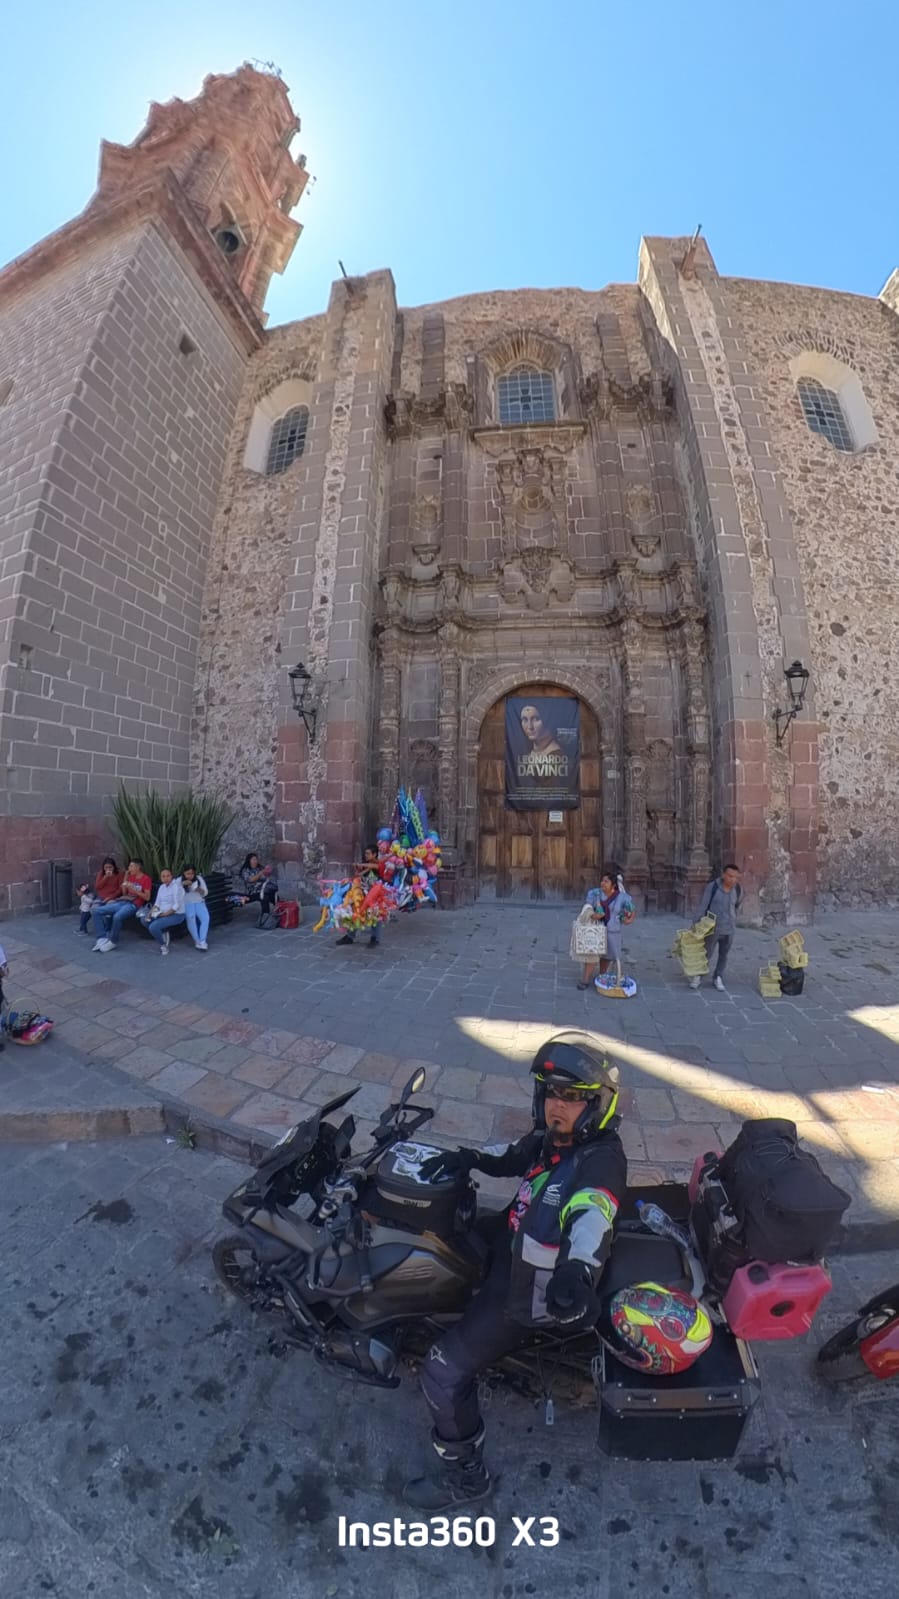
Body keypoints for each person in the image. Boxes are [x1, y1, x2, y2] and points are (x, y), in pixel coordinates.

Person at [403, 1032, 627, 1511]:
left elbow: (593, 1214)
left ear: (598, 1105)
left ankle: (466, 1476)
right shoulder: (554, 1139)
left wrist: (578, 1272)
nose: (556, 1106)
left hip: (525, 1294)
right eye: (550, 1094)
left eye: (572, 1098)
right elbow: (514, 1156)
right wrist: (471, 1159)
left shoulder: (601, 1160)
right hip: (509, 1243)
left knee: (441, 1373)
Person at [575, 867, 634, 990]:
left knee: (607, 956)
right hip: (596, 929)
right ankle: (585, 979)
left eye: (606, 881)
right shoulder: (595, 894)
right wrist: (593, 915)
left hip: (613, 930)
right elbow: (587, 907)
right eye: (602, 880)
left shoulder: (622, 897)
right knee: (593, 954)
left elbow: (631, 910)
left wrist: (629, 918)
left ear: (613, 885)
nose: (602, 883)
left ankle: (601, 977)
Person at [690, 864, 743, 992]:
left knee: (723, 955)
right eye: (730, 876)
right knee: (706, 953)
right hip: (713, 928)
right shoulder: (713, 887)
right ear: (723, 875)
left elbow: (737, 905)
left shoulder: (738, 890)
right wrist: (695, 923)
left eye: (735, 877)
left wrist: (733, 919)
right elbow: (703, 905)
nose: (732, 879)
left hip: (729, 928)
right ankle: (699, 975)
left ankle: (718, 976)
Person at [90, 858, 152, 951]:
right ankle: (102, 938)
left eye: (131, 866)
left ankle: (113, 941)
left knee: (117, 917)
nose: (129, 868)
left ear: (138, 867)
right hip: (123, 901)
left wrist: (135, 890)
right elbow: (124, 893)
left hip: (134, 904)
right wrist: (126, 879)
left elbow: (147, 897)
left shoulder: (146, 879)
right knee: (95, 911)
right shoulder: (131, 877)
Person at [336, 848, 382, 948]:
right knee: (355, 911)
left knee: (375, 915)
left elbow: (375, 866)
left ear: (375, 854)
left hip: (376, 895)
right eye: (365, 853)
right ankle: (350, 936)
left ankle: (375, 938)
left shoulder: (379, 864)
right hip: (363, 893)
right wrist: (358, 869)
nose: (366, 855)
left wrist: (362, 865)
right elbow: (358, 876)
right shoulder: (366, 866)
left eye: (368, 853)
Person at [141, 869, 186, 955]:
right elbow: (157, 903)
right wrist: (150, 913)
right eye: (163, 876)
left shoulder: (177, 887)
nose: (166, 878)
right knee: (144, 919)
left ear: (172, 876)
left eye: (168, 876)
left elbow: (176, 906)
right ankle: (163, 931)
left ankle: (163, 945)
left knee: (153, 927)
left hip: (176, 914)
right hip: (161, 912)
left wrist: (164, 915)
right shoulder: (161, 887)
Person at [231, 853, 279, 921]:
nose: (255, 861)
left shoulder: (259, 868)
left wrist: (267, 871)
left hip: (262, 889)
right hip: (251, 892)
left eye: (256, 859)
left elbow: (266, 877)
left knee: (274, 895)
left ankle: (281, 911)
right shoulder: (246, 870)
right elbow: (250, 880)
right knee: (264, 897)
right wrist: (260, 873)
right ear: (249, 861)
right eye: (253, 859)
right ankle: (265, 918)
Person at [179, 865, 210, 950]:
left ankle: (203, 940)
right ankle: (197, 940)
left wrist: (198, 889)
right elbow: (175, 892)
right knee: (191, 920)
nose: (190, 876)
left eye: (192, 873)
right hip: (187, 903)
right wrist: (182, 885)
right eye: (187, 873)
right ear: (184, 873)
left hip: (199, 902)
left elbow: (205, 892)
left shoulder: (199, 879)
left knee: (205, 918)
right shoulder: (179, 880)